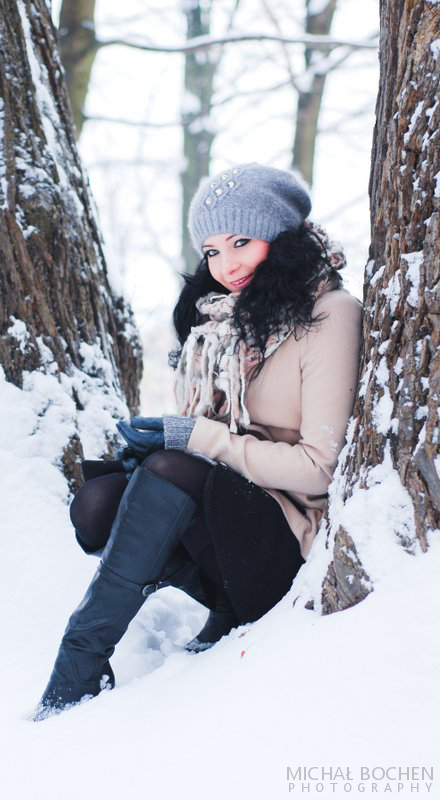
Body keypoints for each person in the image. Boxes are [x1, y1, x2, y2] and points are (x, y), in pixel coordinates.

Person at [32, 162, 362, 721]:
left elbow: (320, 469)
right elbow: (212, 441)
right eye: (211, 250)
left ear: (283, 237)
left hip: (290, 536)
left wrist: (196, 439)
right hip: (230, 518)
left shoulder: (330, 314)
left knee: (166, 472)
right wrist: (172, 440)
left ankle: (77, 667)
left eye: (241, 242)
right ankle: (222, 606)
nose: (226, 265)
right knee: (98, 503)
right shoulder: (224, 325)